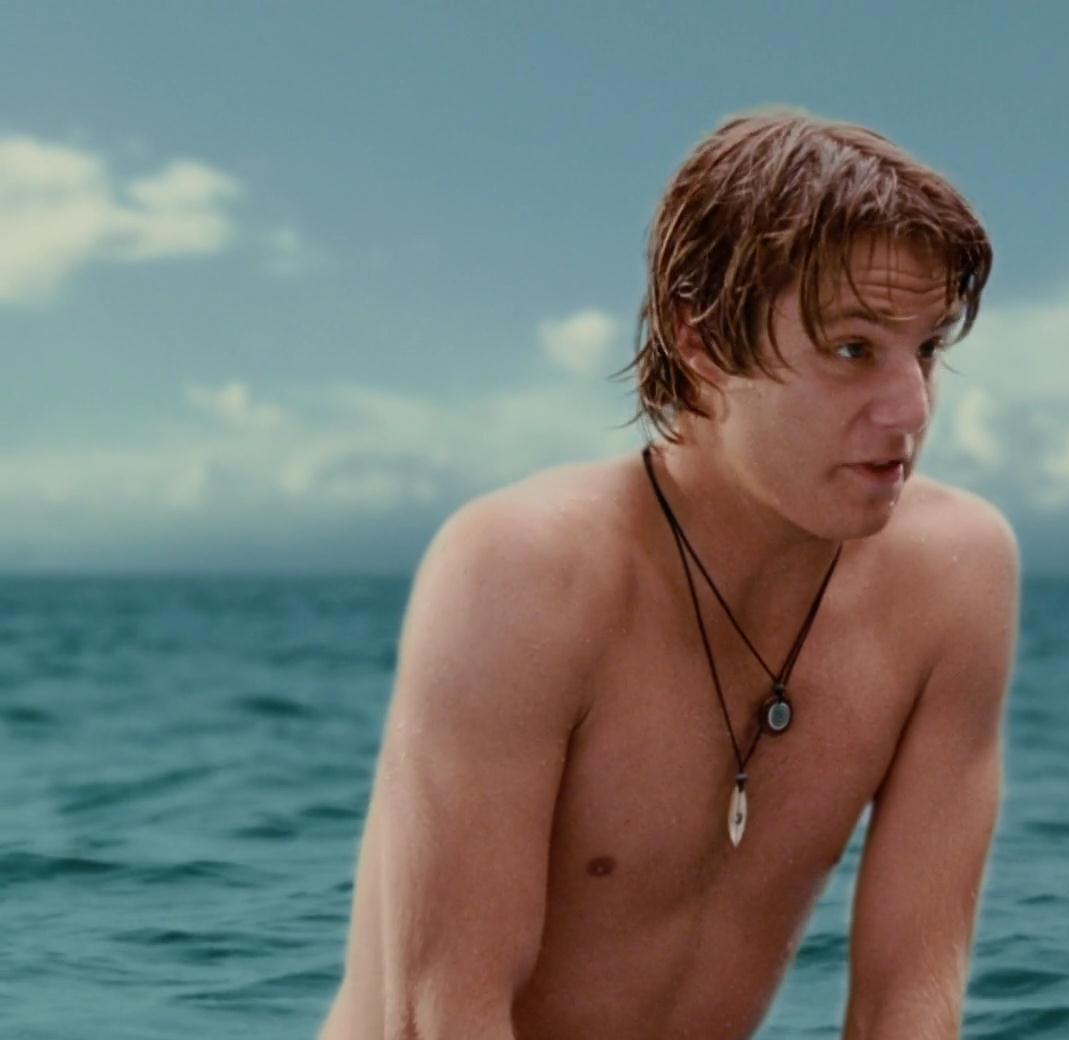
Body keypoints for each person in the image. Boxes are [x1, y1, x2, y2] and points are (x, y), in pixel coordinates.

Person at [318, 111, 1018, 1039]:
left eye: (926, 349)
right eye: (853, 349)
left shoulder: (954, 576)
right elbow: (445, 1015)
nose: (912, 408)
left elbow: (910, 1000)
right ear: (703, 339)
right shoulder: (524, 573)